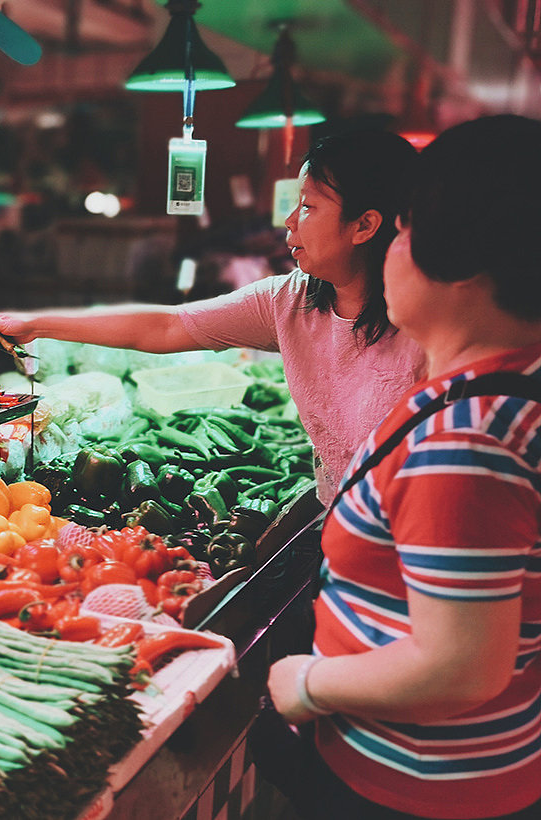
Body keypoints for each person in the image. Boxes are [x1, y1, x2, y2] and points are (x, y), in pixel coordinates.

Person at [262, 114, 541, 819]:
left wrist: (310, 683)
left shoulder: (466, 442)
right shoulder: (499, 394)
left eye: (408, 230)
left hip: (415, 788)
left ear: (466, 266)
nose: (392, 248)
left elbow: (458, 666)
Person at [0, 130, 427, 504]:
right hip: (340, 522)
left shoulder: (431, 328)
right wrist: (34, 325)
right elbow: (167, 325)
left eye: (308, 207)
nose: (289, 221)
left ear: (364, 226)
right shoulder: (288, 302)